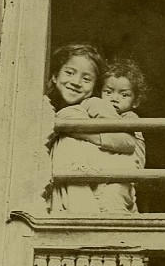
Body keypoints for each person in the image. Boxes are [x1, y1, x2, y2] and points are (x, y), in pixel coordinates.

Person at [46, 44, 139, 213]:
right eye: (69, 72)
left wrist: (75, 130)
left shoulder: (95, 104)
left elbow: (126, 140)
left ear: (95, 86)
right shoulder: (45, 104)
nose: (76, 82)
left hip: (90, 184)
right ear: (54, 75)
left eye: (86, 79)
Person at [92, 58, 148, 213]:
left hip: (121, 181)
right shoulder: (98, 114)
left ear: (135, 101)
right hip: (105, 177)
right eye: (108, 92)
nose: (114, 98)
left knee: (114, 205)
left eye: (124, 95)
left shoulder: (130, 118)